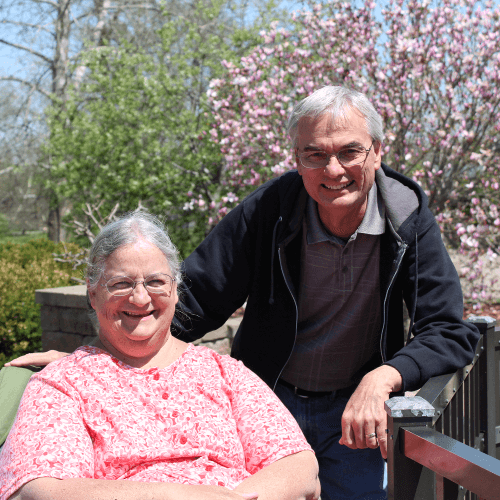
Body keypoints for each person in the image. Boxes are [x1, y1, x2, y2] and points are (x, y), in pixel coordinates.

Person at [6, 86, 480, 499]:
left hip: (352, 413)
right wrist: (93, 362)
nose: (332, 169)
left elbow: (447, 331)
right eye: (314, 154)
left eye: (349, 152)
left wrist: (384, 378)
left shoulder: (406, 218)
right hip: (270, 400)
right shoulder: (271, 211)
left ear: (377, 151)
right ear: (296, 158)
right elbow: (190, 297)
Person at [0, 212, 319, 500]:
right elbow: (41, 488)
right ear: (93, 293)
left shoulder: (223, 372)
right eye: (121, 283)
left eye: (155, 281)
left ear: (177, 290)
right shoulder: (63, 383)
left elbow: (298, 464)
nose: (140, 298)